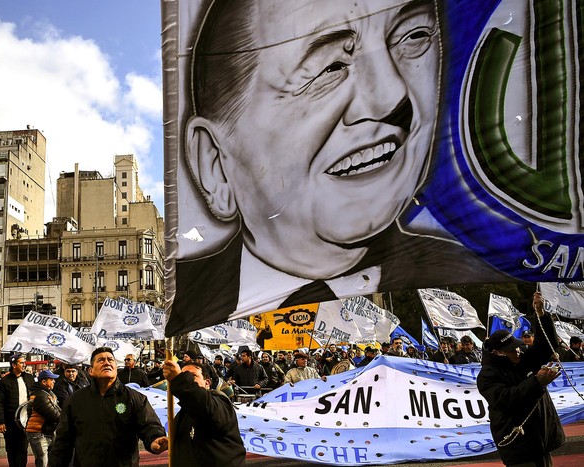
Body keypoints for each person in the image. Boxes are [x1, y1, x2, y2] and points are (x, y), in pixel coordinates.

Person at [166, 0, 509, 337]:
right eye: (329, 67)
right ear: (214, 164)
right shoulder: (192, 297)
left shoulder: (471, 266)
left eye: (413, 37)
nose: (394, 95)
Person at [477, 292, 565, 466]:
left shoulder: (524, 357)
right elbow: (507, 399)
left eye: (516, 346)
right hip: (518, 443)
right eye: (511, 349)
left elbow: (546, 346)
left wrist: (540, 314)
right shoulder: (487, 376)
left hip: (542, 438)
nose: (517, 351)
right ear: (497, 353)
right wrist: (537, 382)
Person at [48, 347, 168, 467]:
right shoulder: (76, 400)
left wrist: (155, 439)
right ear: (91, 371)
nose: (107, 362)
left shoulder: (134, 398)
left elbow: (149, 425)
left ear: (116, 368)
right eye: (101, 360)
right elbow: (63, 442)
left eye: (110, 360)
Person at [162, 360, 246, 466]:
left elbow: (202, 405)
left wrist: (180, 379)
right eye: (184, 376)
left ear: (207, 383)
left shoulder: (219, 402)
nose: (187, 379)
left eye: (192, 376)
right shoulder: (183, 413)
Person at [0, 354, 35, 467]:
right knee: (11, 449)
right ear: (13, 365)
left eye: (24, 362)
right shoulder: (4, 381)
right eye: (21, 363)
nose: (24, 365)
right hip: (10, 421)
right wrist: (0, 422)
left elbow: (36, 393)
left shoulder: (29, 378)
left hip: (26, 420)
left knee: (23, 448)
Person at [26, 370, 61, 467]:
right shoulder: (40, 395)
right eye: (52, 379)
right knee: (43, 461)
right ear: (44, 382)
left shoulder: (48, 393)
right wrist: (66, 419)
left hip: (47, 431)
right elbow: (53, 414)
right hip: (38, 432)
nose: (54, 381)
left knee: (50, 460)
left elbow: (57, 411)